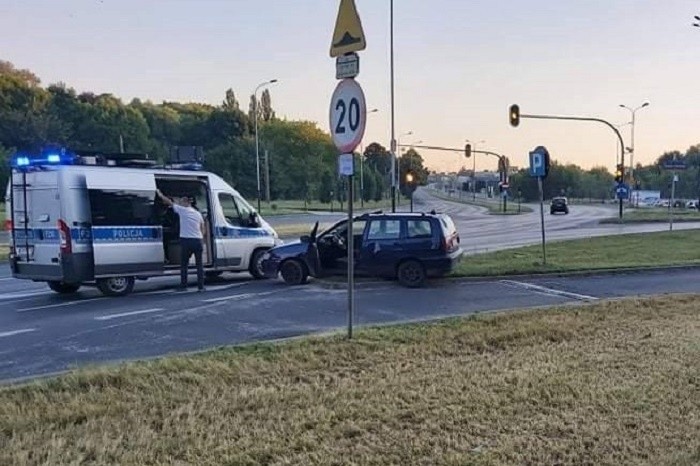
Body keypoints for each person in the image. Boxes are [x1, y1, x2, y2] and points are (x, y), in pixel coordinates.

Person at [156, 189, 206, 292]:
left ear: (186, 202)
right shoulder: (198, 213)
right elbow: (203, 228)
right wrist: (202, 239)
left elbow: (169, 202)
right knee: (199, 265)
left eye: (182, 201)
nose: (181, 203)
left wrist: (160, 194)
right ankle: (201, 287)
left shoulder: (182, 210)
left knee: (184, 265)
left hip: (186, 241)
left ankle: (184, 286)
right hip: (197, 240)